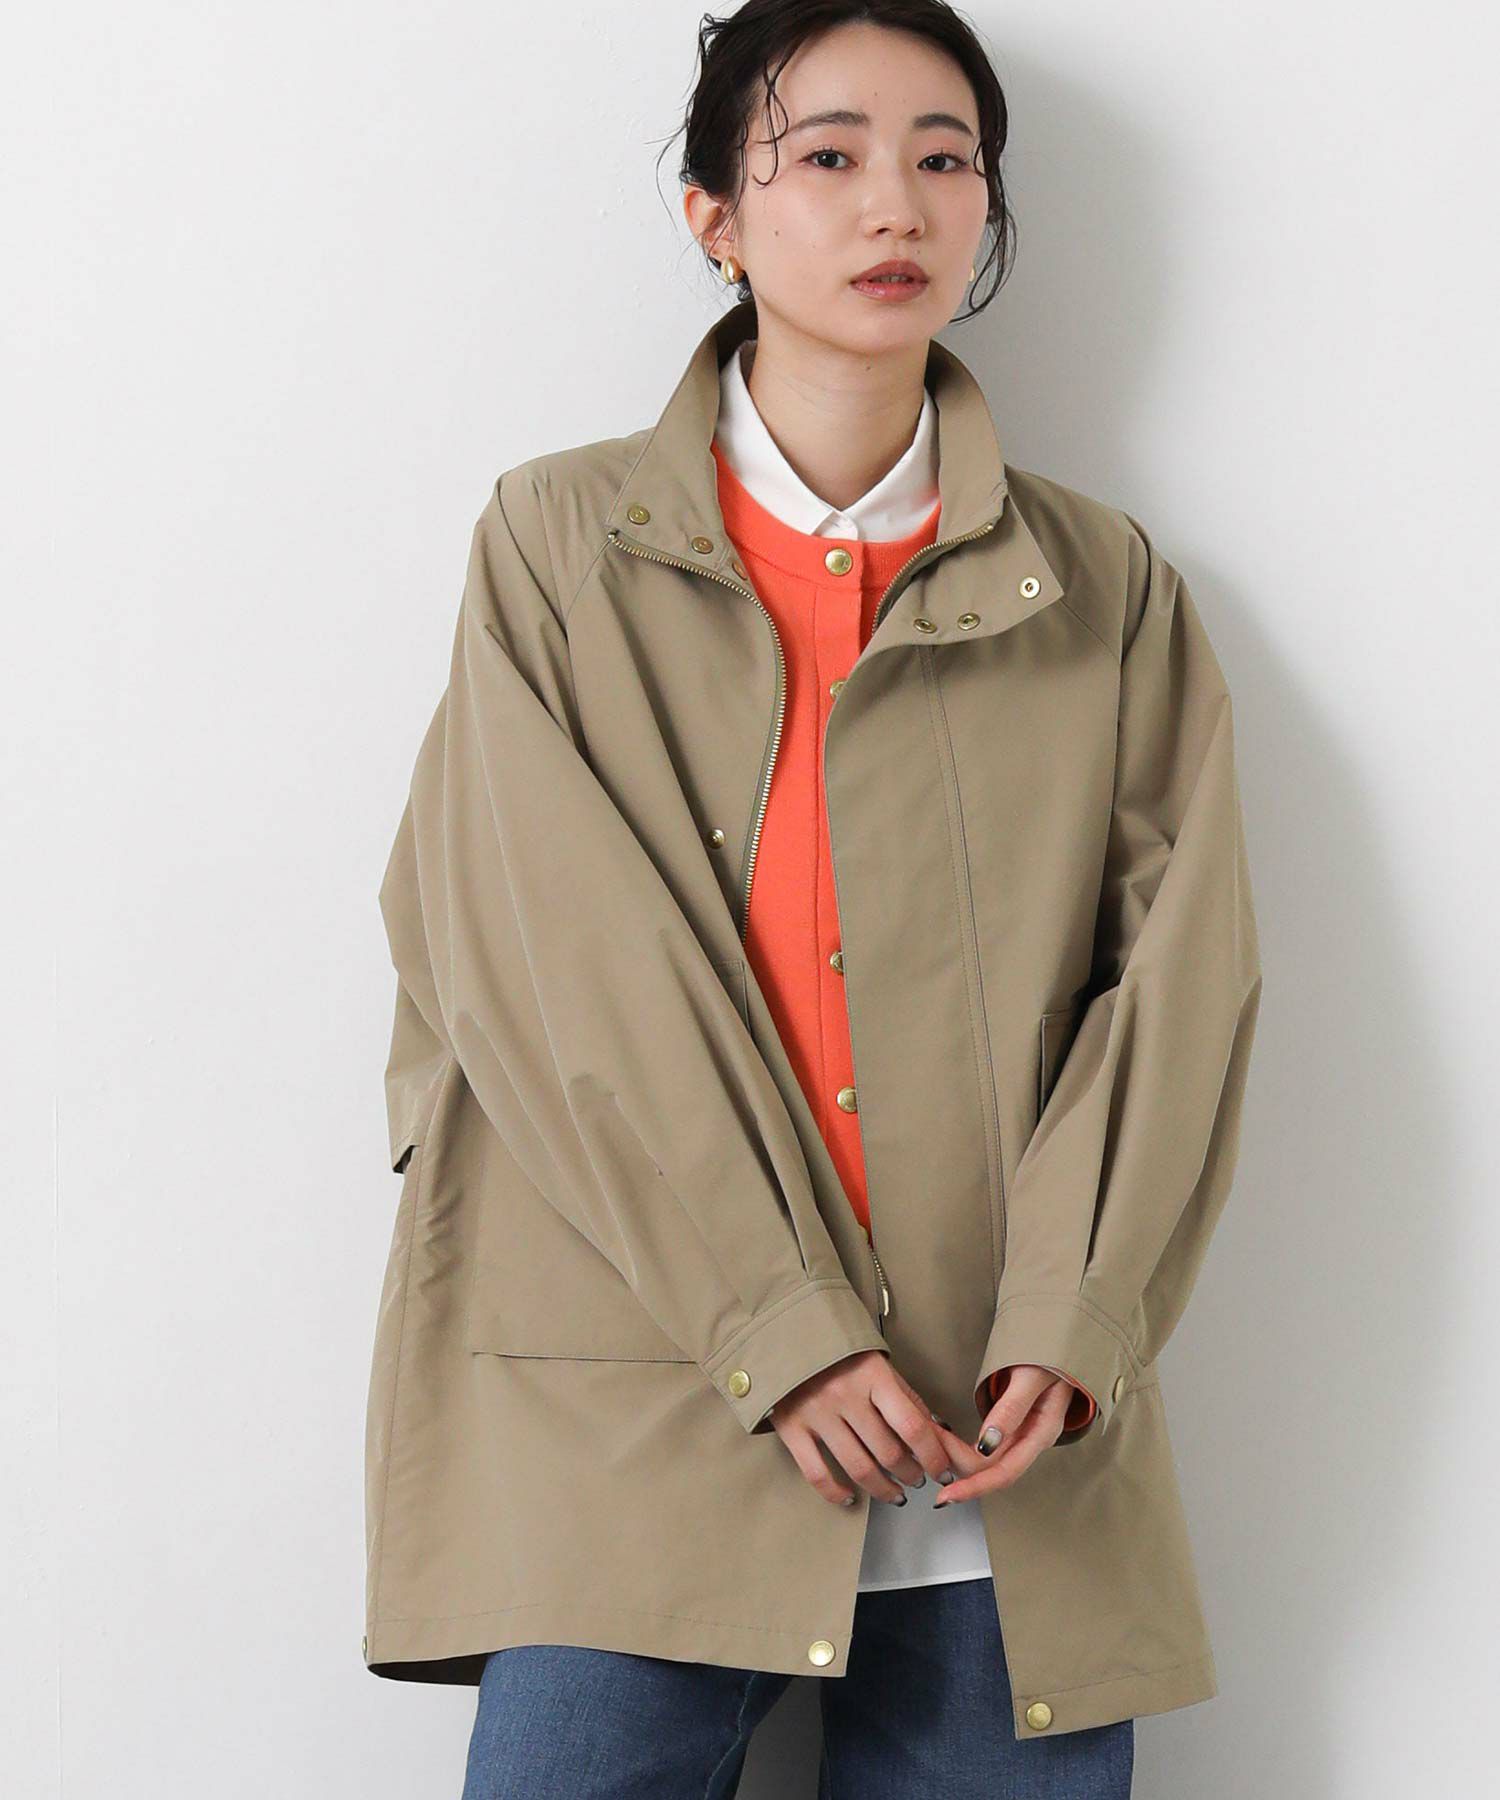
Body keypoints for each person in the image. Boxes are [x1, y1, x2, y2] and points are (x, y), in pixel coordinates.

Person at [363, 3, 1263, 1795]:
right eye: (828, 155)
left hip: (999, 1434)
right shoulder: (556, 552)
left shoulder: (1105, 590)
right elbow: (552, 974)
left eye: (945, 159)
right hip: (634, 1399)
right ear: (716, 214)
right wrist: (775, 1325)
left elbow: (1178, 989)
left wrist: (1078, 1319)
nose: (894, 205)